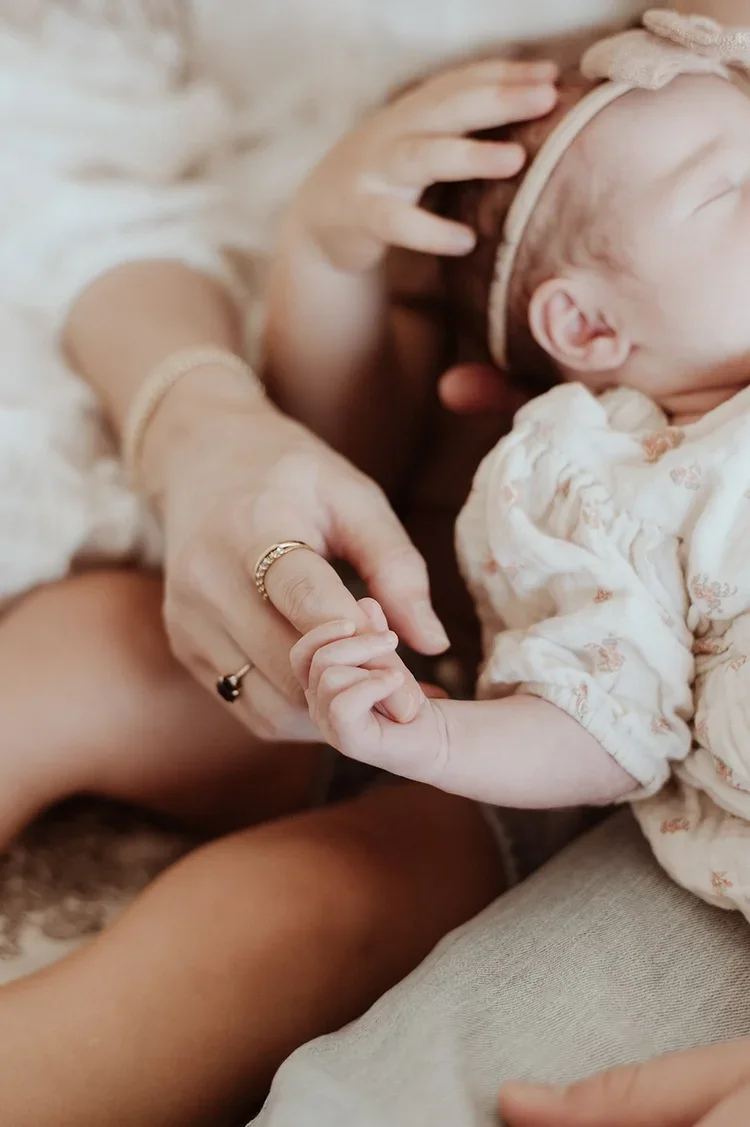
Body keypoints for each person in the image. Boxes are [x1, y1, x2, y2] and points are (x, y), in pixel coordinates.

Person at [0, 3, 746, 1127]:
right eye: (733, 193)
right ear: (586, 327)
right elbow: (347, 462)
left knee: (293, 912)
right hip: (426, 649)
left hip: (573, 768)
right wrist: (325, 253)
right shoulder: (593, 458)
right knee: (75, 655)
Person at [293, 10, 750, 920]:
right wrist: (434, 736)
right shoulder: (608, 489)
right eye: (729, 192)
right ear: (586, 324)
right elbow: (602, 720)